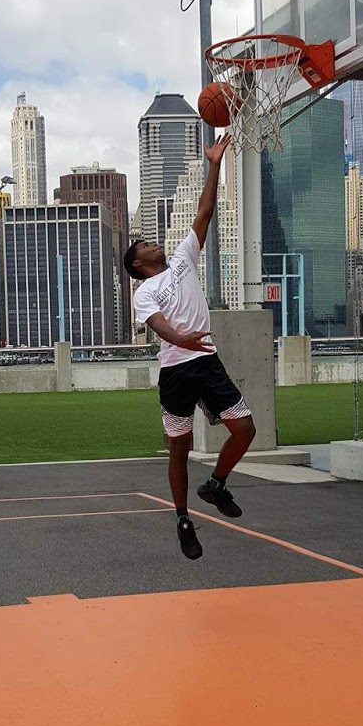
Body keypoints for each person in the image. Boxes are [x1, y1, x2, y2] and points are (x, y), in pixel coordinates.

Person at [124, 133, 256, 560]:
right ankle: (182, 518)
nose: (151, 241)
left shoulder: (183, 257)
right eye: (143, 244)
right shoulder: (144, 291)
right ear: (138, 264)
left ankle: (215, 485)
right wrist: (178, 337)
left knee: (245, 428)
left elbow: (204, 210)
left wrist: (214, 162)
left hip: (205, 361)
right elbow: (159, 324)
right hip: (176, 371)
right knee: (178, 447)